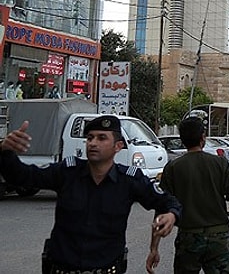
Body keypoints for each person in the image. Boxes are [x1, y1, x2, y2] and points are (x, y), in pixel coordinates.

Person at [0, 115, 181, 273]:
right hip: (61, 268)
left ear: (118, 146)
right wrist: (5, 151)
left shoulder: (129, 180)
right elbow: (23, 176)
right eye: (90, 138)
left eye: (102, 138)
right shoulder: (67, 172)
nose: (93, 143)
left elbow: (168, 201)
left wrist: (171, 215)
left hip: (107, 268)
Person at [147, 117, 229, 274]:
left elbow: (161, 211)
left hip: (188, 237)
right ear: (203, 137)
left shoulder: (173, 168)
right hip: (219, 237)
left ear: (182, 140)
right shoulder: (220, 164)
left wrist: (154, 248)